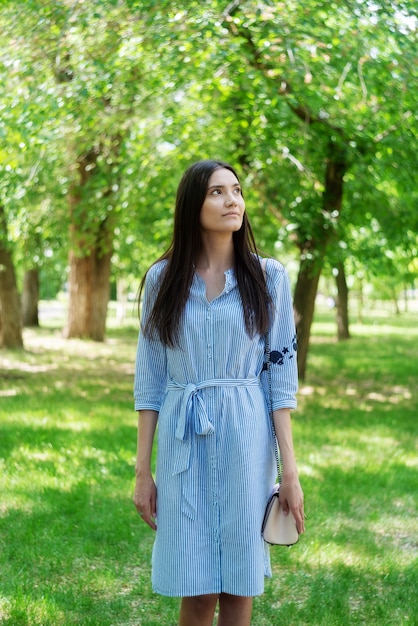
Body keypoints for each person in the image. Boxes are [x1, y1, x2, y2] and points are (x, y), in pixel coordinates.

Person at [133, 159, 304, 626]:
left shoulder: (268, 278)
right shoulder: (161, 281)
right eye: (216, 192)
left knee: (238, 587)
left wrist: (290, 471)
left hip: (245, 438)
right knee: (195, 587)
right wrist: (143, 472)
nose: (232, 201)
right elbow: (149, 382)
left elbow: (280, 381)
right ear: (193, 205)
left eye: (236, 190)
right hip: (182, 441)